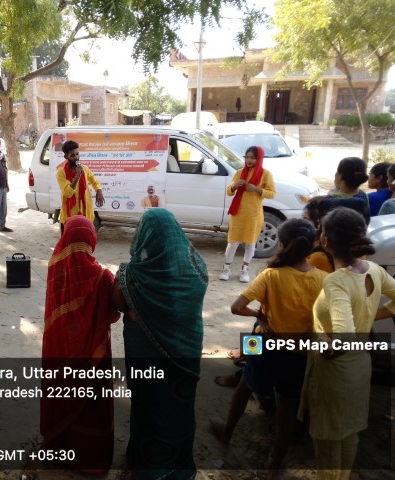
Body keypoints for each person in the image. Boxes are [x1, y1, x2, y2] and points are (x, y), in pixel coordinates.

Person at [210, 218, 327, 479]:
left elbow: (236, 307)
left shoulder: (271, 275)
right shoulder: (324, 278)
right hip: (301, 351)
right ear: (312, 245)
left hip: (264, 341)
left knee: (244, 385)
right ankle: (274, 465)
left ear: (282, 244)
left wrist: (260, 316)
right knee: (288, 407)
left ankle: (227, 431)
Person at [299, 207, 395, 480]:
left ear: (326, 241)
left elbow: (344, 337)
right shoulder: (373, 270)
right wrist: (368, 315)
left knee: (329, 441)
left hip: (335, 373)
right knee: (348, 433)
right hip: (359, 368)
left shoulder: (337, 282)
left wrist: (326, 346)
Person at [113, 209, 208, 480]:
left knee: (147, 406)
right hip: (185, 354)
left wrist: (137, 309)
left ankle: (144, 466)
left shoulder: (133, 274)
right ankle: (177, 467)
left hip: (145, 354)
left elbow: (117, 302)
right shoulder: (196, 267)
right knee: (178, 409)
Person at [40, 216, 120, 473]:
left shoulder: (55, 266)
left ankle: (58, 450)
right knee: (91, 404)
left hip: (59, 348)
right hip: (92, 354)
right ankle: (89, 461)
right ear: (91, 240)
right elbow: (114, 314)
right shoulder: (102, 276)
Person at [220, 145, 276, 283]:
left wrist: (257, 190)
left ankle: (244, 271)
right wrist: (235, 185)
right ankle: (226, 269)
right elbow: (229, 191)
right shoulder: (240, 172)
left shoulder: (266, 174)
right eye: (247, 157)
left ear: (259, 159)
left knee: (250, 243)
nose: (249, 160)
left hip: (253, 215)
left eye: (253, 158)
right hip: (238, 213)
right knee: (232, 242)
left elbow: (272, 193)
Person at [56, 140, 105, 235]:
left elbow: (95, 182)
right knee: (70, 241)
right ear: (66, 157)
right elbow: (67, 192)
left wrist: (99, 190)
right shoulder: (61, 172)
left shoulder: (85, 169)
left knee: (85, 240)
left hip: (86, 212)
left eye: (77, 154)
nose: (76, 157)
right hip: (70, 214)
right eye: (72, 155)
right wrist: (77, 176)